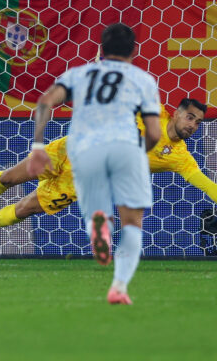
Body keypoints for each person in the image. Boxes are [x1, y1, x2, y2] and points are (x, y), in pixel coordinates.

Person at [0, 98, 217, 243]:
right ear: (176, 113)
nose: (193, 125)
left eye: (198, 122)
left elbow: (208, 185)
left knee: (25, 210)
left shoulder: (179, 157)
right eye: (190, 117)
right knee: (12, 177)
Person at [43, 23, 160, 304]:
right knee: (132, 222)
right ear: (134, 50)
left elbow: (46, 102)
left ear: (101, 49)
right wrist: (137, 154)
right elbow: (154, 132)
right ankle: (118, 287)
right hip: (124, 146)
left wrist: (37, 146)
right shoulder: (143, 79)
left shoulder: (79, 74)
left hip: (84, 149)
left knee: (97, 211)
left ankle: (99, 226)